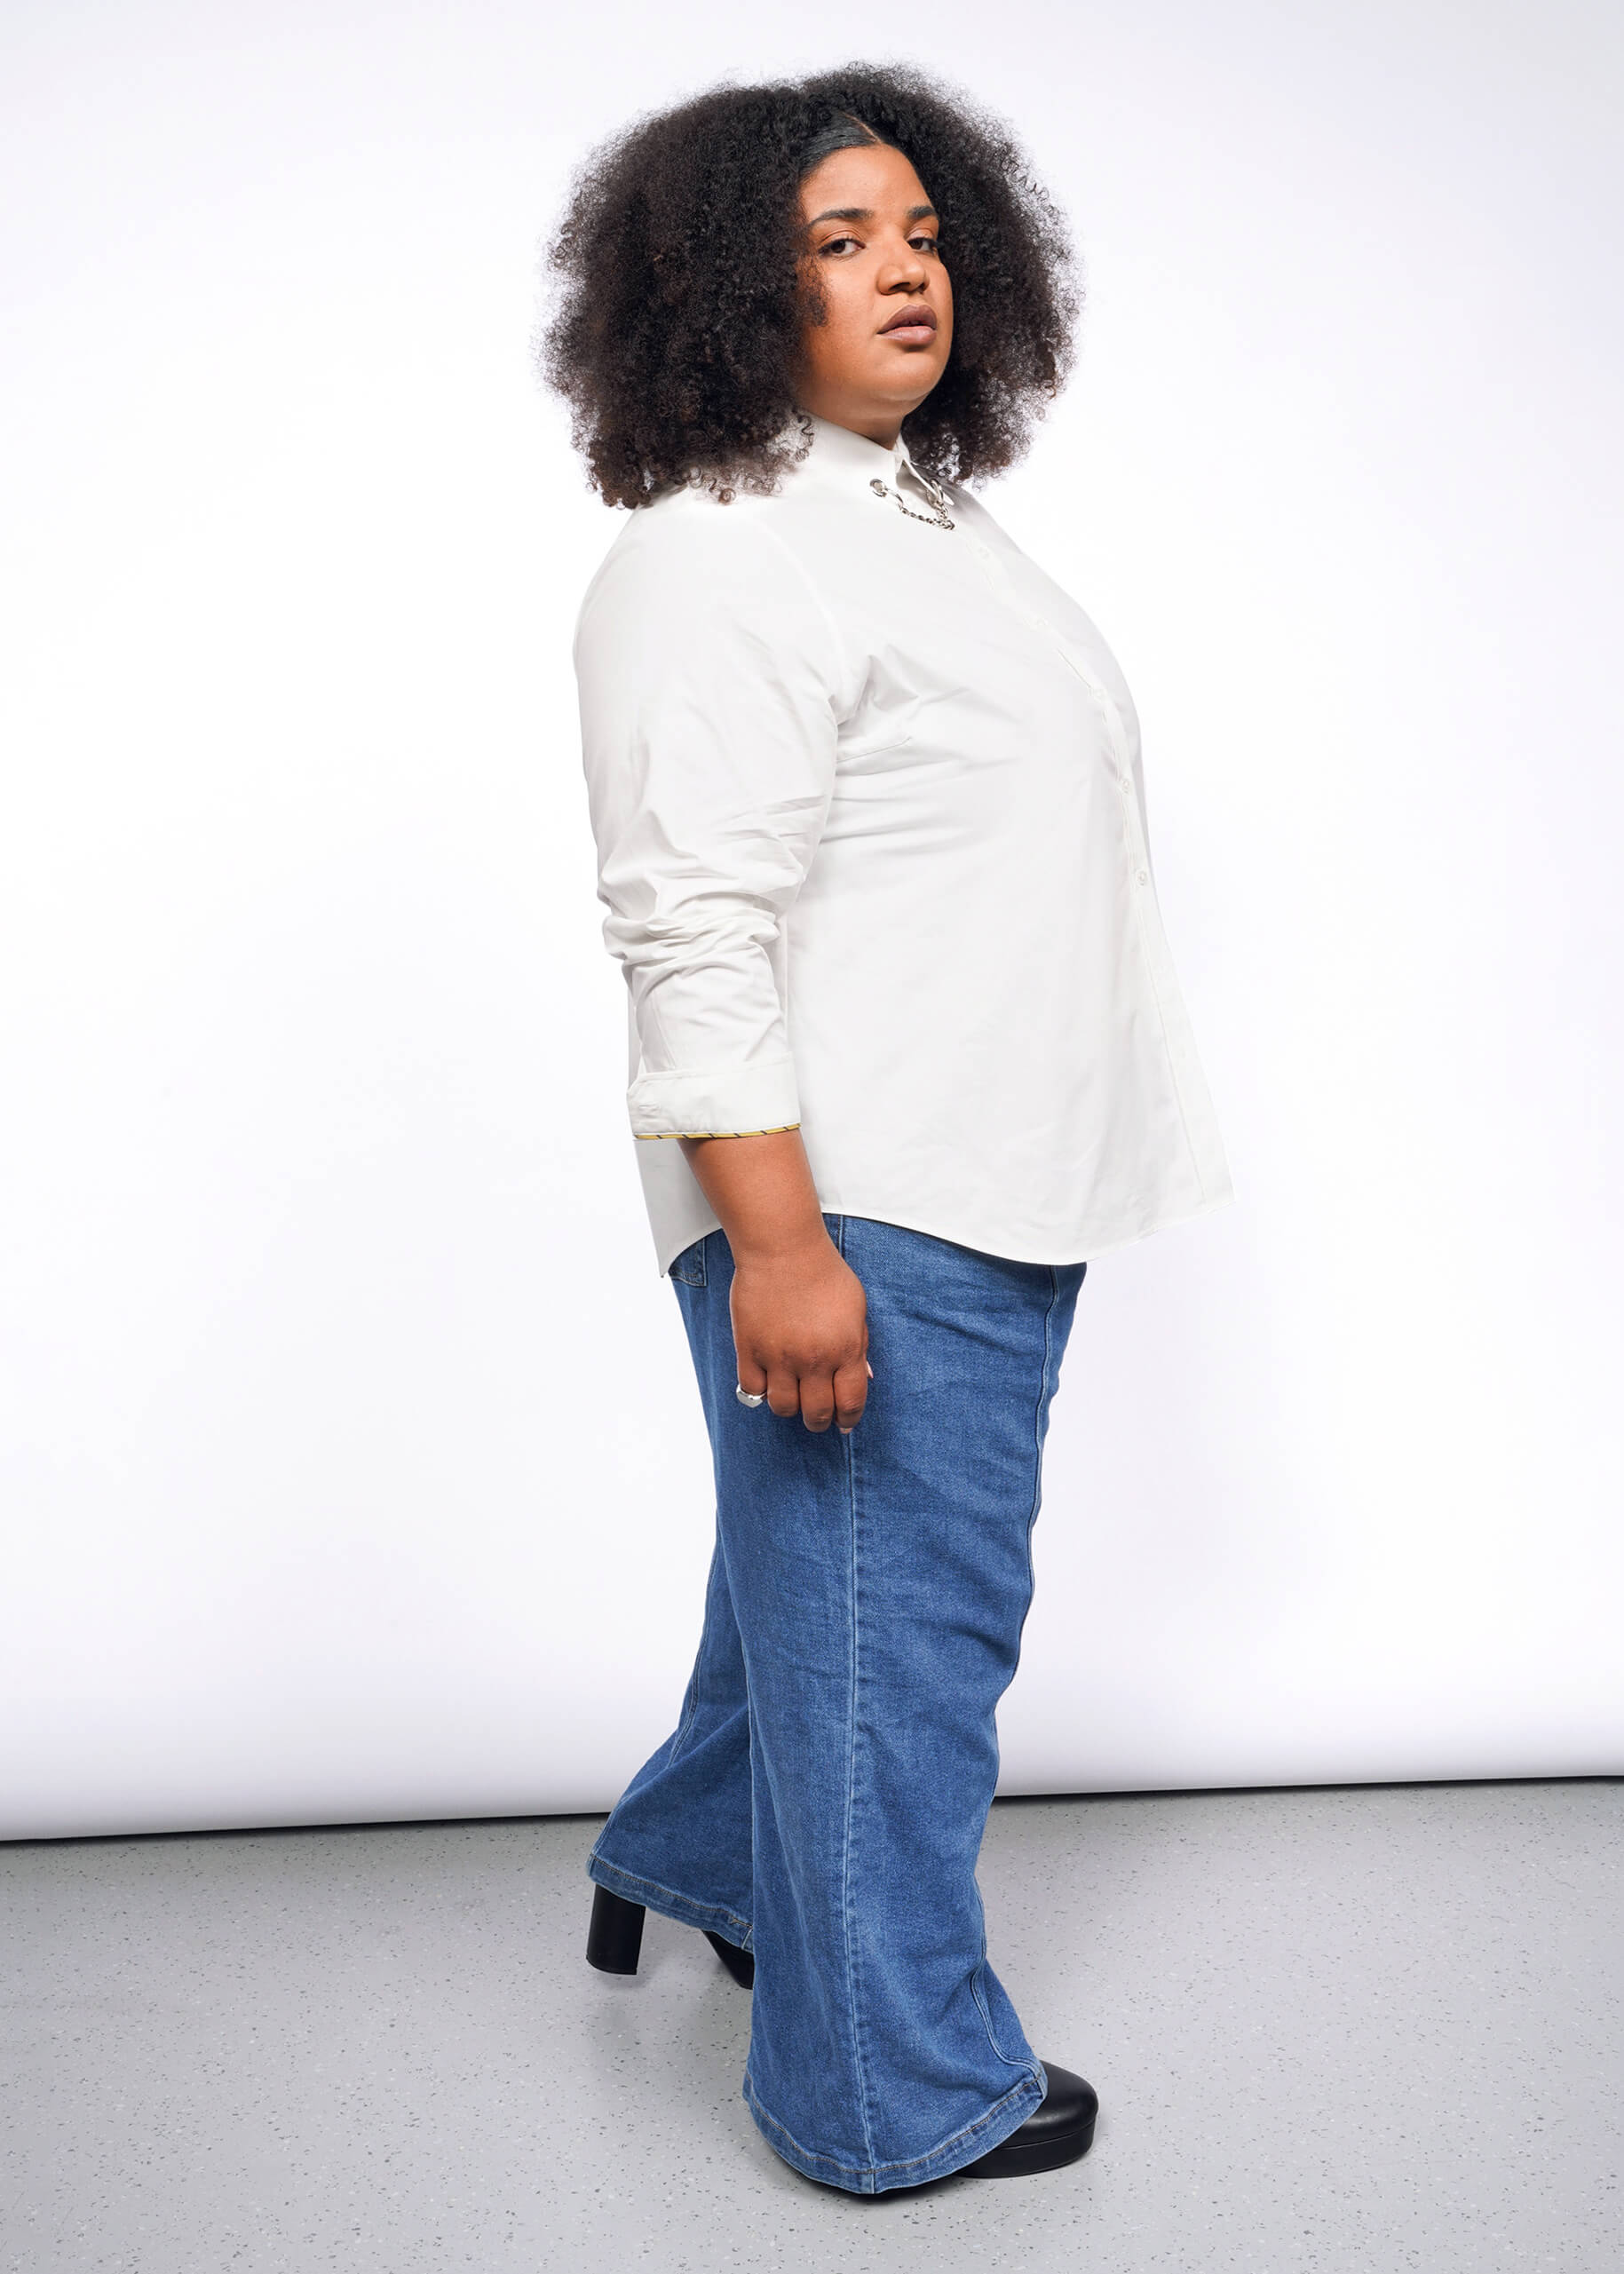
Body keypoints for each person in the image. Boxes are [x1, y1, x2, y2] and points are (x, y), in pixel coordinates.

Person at [541, 63, 1234, 2196]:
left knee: (819, 1603)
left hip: (984, 1169)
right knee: (901, 1650)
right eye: (837, 242)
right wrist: (779, 1245)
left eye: (921, 230)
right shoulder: (723, 549)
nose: (902, 269)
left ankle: (695, 1857)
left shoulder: (903, 511)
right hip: (866, 1194)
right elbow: (690, 925)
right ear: (732, 295)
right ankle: (885, 2091)